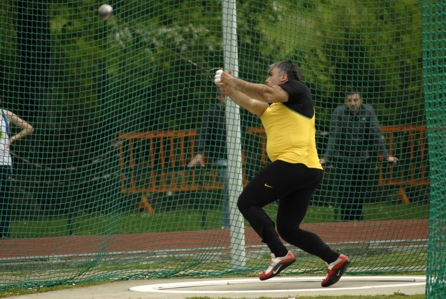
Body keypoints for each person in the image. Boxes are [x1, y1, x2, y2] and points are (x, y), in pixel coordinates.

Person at [216, 60, 349, 287]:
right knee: (288, 229)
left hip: (294, 165)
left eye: (271, 74)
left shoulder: (298, 90)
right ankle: (334, 260)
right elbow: (250, 102)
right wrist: (230, 89)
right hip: (306, 170)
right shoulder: (274, 106)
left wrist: (233, 80)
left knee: (247, 202)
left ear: (284, 78)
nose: (267, 78)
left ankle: (280, 254)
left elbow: (267, 91)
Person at [320, 91, 398, 221]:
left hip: (362, 157)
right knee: (345, 189)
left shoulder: (368, 111)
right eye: (349, 100)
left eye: (355, 100)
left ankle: (358, 219)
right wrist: (326, 157)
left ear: (361, 100)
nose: (353, 103)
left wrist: (386, 156)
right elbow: (334, 136)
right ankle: (347, 219)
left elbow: (376, 134)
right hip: (343, 158)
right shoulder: (339, 112)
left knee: (359, 190)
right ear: (346, 102)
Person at [188, 88, 230, 229]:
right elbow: (203, 133)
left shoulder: (237, 112)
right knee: (231, 187)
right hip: (220, 158)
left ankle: (234, 223)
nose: (227, 97)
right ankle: (227, 225)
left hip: (235, 159)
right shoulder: (212, 113)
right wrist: (199, 153)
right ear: (219, 96)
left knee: (234, 190)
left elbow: (244, 133)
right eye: (224, 94)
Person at [0, 97, 34, 238]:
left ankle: (4, 233)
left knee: (5, 200)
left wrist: (13, 138)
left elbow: (29, 128)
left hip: (5, 163)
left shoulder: (6, 114)